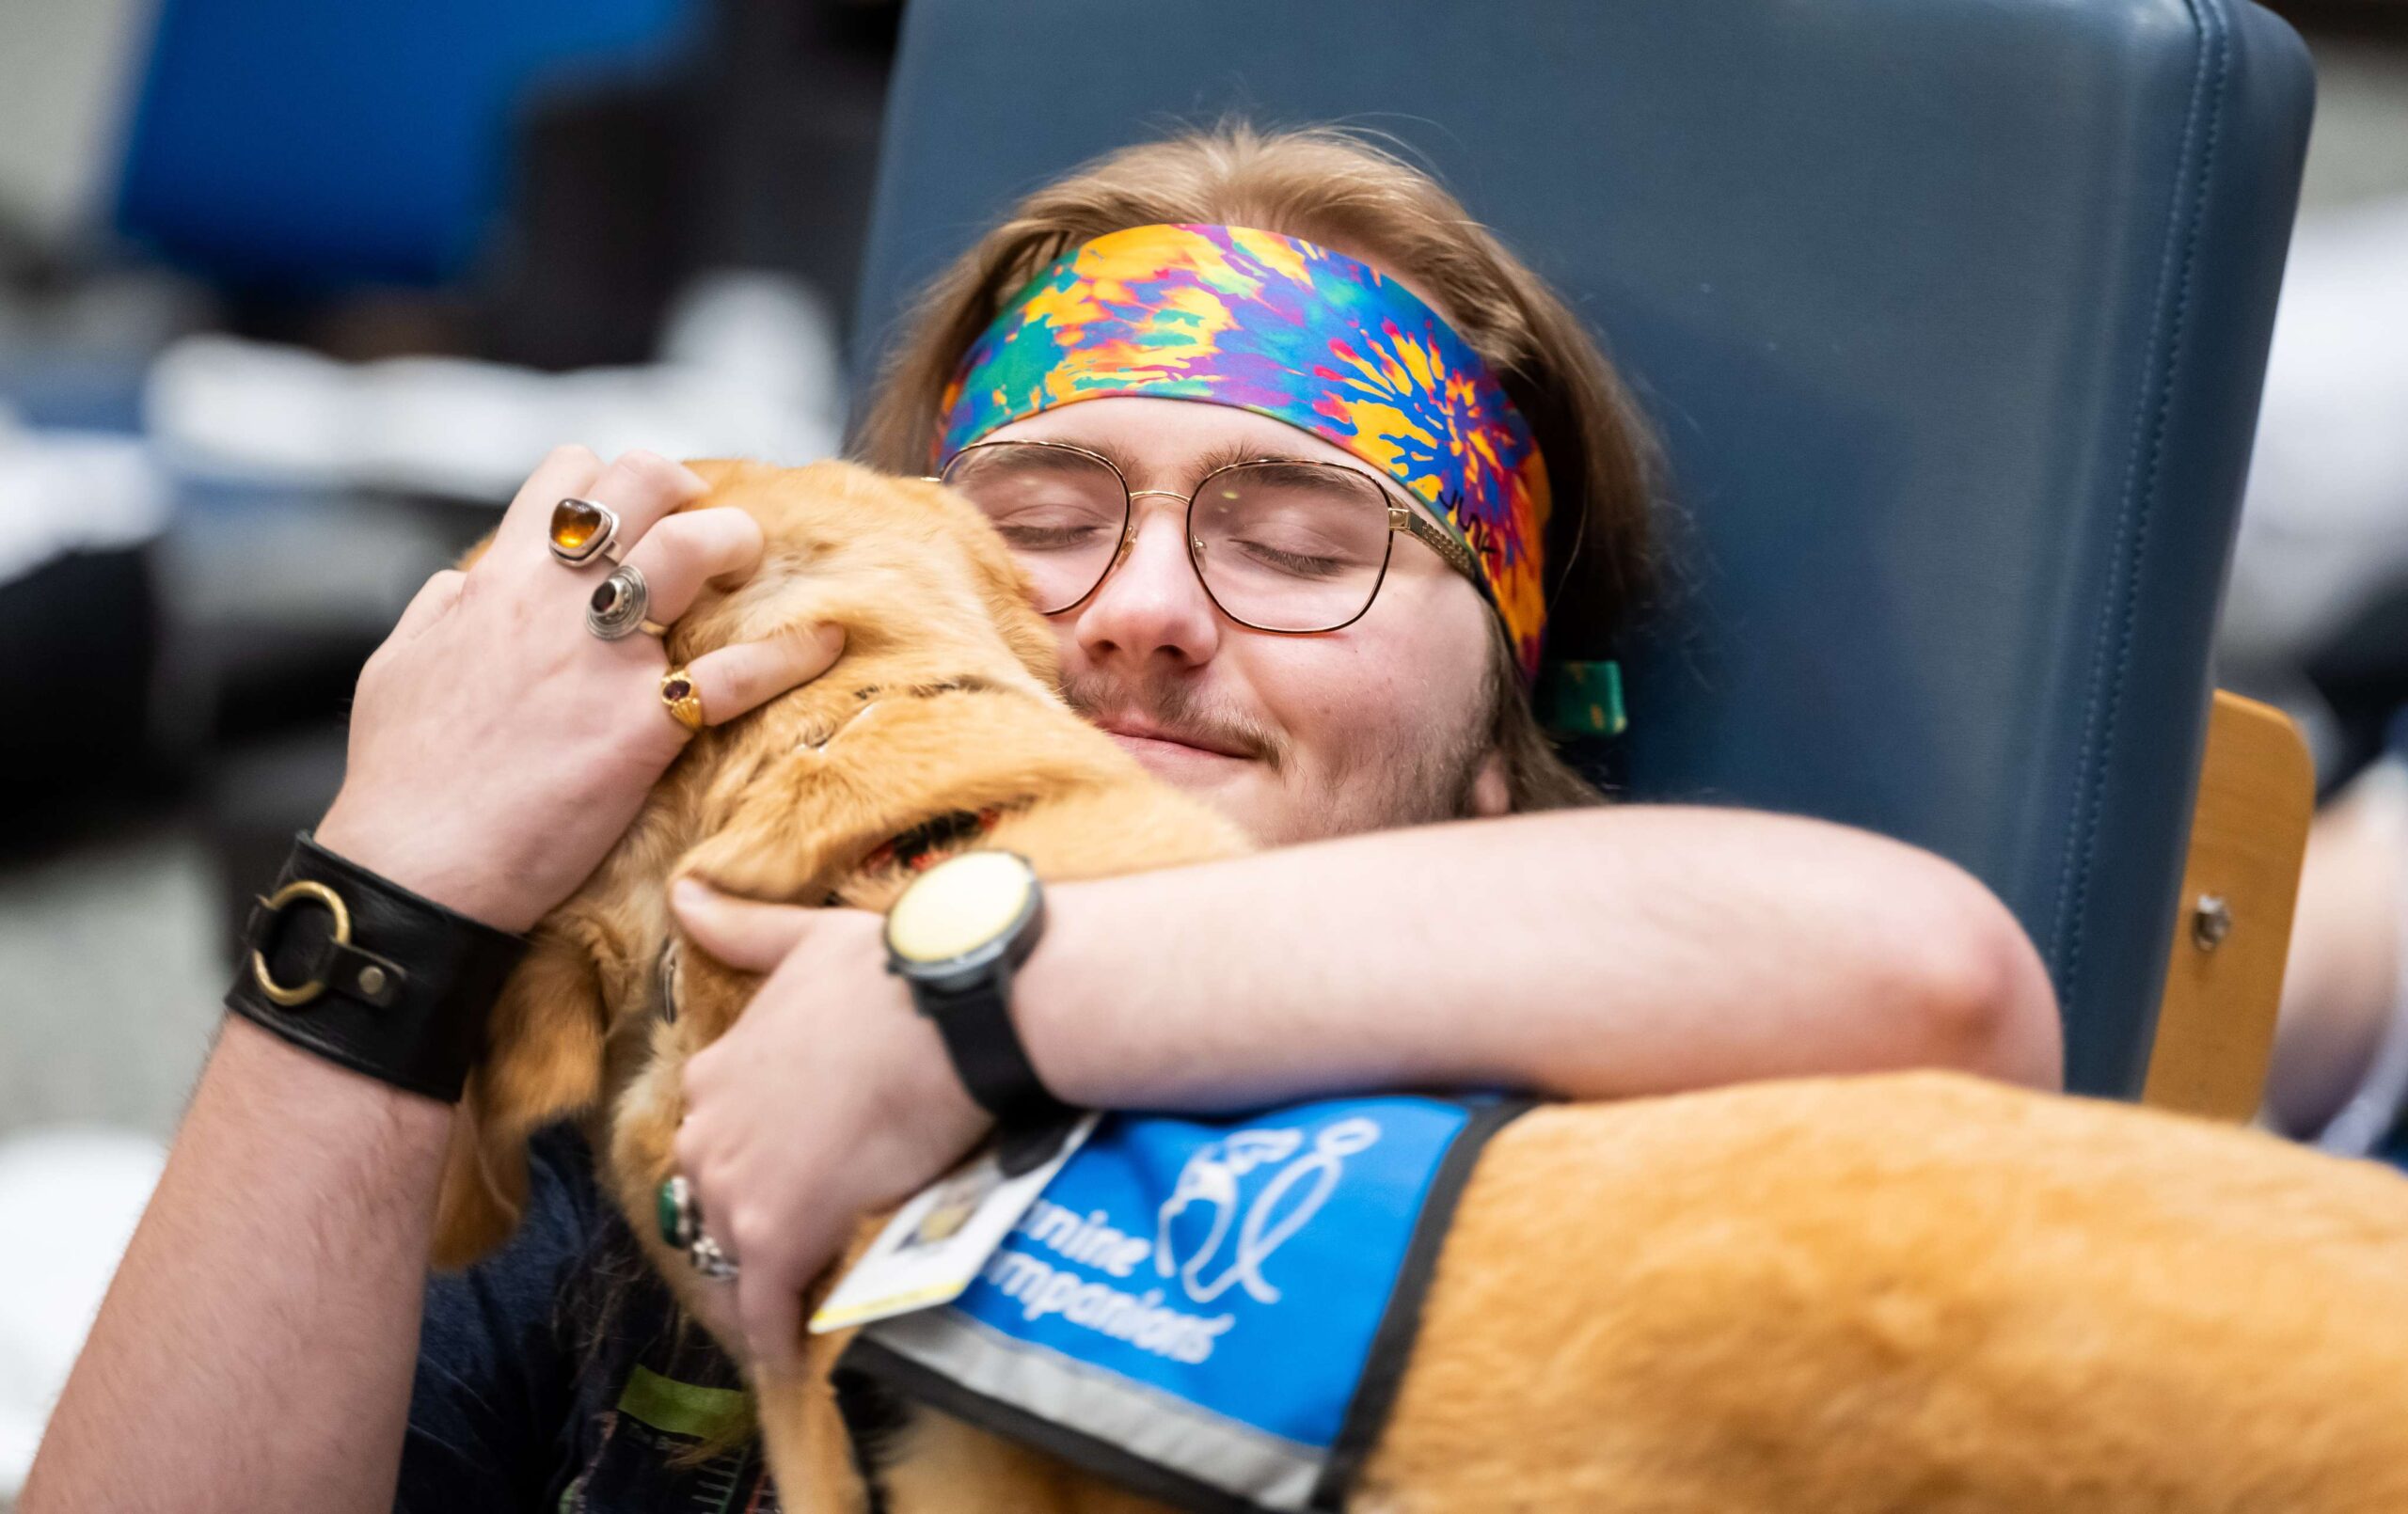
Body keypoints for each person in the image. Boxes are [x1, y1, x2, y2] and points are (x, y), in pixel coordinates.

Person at [24, 124, 2059, 1513]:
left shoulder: (1576, 1075)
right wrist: (395, 883)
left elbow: (1940, 985)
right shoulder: (664, 1101)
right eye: (1040, 525)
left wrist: (972, 994)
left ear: (1500, 751)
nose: (1145, 614)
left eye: (1296, 540)